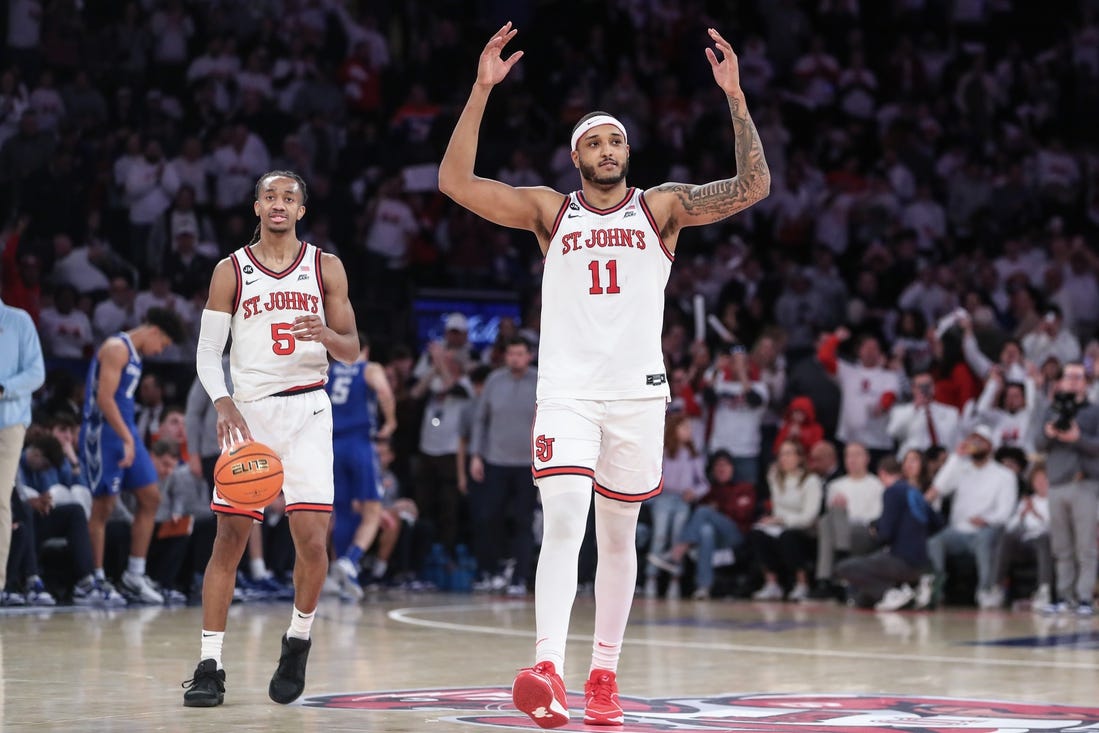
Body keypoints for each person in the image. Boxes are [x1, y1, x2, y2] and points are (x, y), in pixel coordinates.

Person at [438, 22, 770, 729]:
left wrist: (734, 96)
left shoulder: (663, 206)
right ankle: (548, 665)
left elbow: (754, 184)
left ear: (628, 150)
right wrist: (480, 89)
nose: (607, 149)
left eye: (615, 139)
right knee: (563, 523)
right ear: (575, 157)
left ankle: (603, 676)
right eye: (593, 142)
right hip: (566, 394)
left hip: (637, 395)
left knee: (619, 539)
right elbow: (453, 183)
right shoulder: (547, 211)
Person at [182, 170, 358, 707]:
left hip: (308, 410)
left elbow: (351, 349)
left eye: (289, 197)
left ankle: (297, 641)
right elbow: (207, 353)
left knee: (311, 542)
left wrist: (327, 335)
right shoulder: (230, 270)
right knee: (229, 541)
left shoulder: (326, 266)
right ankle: (210, 664)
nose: (278, 204)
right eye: (270, 196)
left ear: (301, 210)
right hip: (250, 415)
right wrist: (223, 400)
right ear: (256, 206)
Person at [80, 307, 185, 605]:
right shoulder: (116, 348)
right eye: (162, 344)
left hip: (125, 433)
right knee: (103, 506)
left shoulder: (135, 354)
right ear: (154, 331)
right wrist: (127, 438)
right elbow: (104, 399)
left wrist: (129, 438)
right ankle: (95, 580)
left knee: (151, 497)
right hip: (103, 434)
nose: (161, 350)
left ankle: (134, 576)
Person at [327, 331, 396, 601]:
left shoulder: (330, 372)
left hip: (332, 445)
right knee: (372, 510)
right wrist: (390, 421)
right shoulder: (369, 367)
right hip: (359, 443)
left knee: (342, 512)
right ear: (364, 349)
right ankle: (350, 561)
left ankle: (339, 574)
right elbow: (383, 390)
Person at [468, 336, 539, 596]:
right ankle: (494, 570)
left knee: (524, 521)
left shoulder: (540, 380)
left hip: (528, 464)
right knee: (488, 517)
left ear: (529, 355)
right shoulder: (494, 380)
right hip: (495, 460)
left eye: (520, 353)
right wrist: (476, 454)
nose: (515, 358)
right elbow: (480, 419)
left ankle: (520, 576)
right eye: (511, 353)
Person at [1033, 361, 1099, 616]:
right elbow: (1037, 443)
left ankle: (1084, 597)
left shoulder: (1094, 412)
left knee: (1085, 546)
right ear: (1060, 382)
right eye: (1068, 376)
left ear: (1086, 382)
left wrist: (1077, 439)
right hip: (1057, 484)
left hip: (1084, 483)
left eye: (1078, 376)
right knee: (1061, 546)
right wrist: (1050, 433)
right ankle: (1064, 595)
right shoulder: (1050, 410)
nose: (1072, 381)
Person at [835, 456, 942, 611]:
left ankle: (892, 593)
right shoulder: (914, 491)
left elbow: (885, 534)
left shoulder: (892, 492)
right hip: (921, 561)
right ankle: (906, 590)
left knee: (844, 568)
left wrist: (873, 533)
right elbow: (938, 522)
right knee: (863, 600)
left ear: (882, 474)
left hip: (903, 560)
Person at [0, 279, 44, 602]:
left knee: (0, 499)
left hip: (8, 422)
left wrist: (3, 388)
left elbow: (36, 372)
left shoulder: (18, 321)